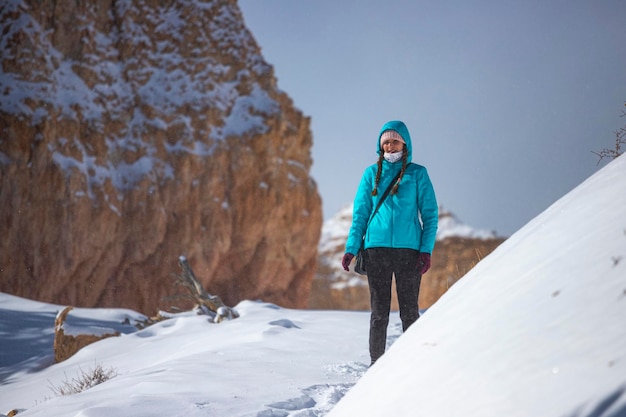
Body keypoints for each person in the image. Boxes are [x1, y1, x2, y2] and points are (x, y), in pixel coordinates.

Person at [341, 120, 438, 366]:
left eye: (395, 141)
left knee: (410, 312)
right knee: (379, 314)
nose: (390, 146)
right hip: (377, 251)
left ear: (405, 144)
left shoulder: (418, 173)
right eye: (385, 142)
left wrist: (425, 250)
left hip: (409, 252)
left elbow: (430, 215)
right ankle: (376, 367)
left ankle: (413, 365)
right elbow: (360, 214)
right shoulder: (371, 174)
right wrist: (352, 248)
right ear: (380, 146)